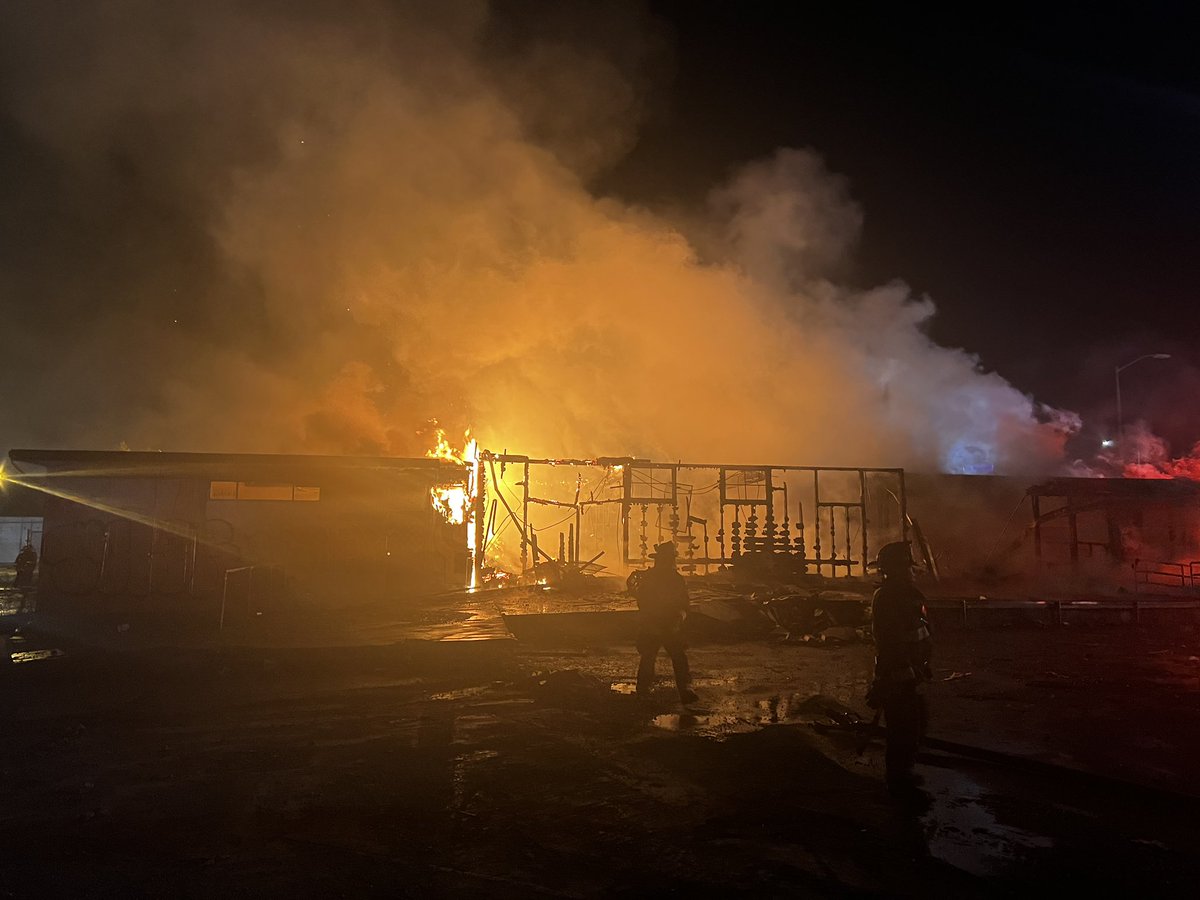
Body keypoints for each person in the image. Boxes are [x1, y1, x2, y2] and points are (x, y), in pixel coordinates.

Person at [866, 540, 933, 797]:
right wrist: (898, 671)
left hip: (912, 669)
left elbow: (920, 631)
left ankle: (904, 771)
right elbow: (889, 640)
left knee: (915, 723)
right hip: (899, 672)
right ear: (895, 569)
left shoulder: (907, 594)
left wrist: (923, 664)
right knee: (903, 727)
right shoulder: (888, 597)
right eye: (907, 567)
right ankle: (897, 780)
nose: (912, 572)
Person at [630, 541, 698, 704]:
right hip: (655, 622)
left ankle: (683, 689)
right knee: (651, 656)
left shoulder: (675, 580)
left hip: (668, 622)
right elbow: (644, 602)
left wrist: (678, 618)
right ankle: (644, 691)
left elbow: (683, 603)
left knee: (675, 656)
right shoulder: (655, 579)